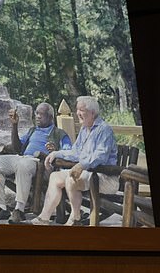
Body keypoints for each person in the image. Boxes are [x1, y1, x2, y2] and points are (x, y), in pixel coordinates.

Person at [30, 96, 118, 226]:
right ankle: (44, 217)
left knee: (71, 179)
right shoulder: (84, 129)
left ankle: (75, 218)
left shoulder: (104, 129)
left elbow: (101, 156)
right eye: (77, 110)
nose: (78, 113)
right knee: (55, 176)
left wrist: (82, 165)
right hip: (88, 174)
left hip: (105, 177)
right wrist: (56, 153)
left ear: (92, 113)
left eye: (81, 110)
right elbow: (75, 152)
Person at [0, 102, 72, 224]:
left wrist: (56, 151)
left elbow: (68, 152)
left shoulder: (60, 134)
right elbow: (17, 147)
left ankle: (19, 209)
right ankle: (1, 207)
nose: (37, 116)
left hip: (41, 164)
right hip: (23, 158)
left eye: (41, 114)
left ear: (50, 117)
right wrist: (14, 126)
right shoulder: (32, 131)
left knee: (24, 165)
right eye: (36, 113)